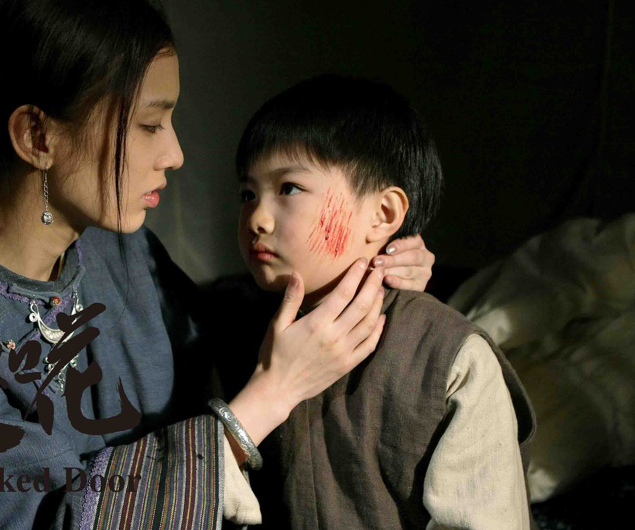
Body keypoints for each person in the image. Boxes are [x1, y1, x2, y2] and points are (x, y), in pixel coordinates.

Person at [0, 0, 436, 529]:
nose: (175, 154)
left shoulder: (118, 251)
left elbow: (224, 343)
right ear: (38, 136)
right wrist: (267, 399)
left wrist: (364, 274)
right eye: (151, 125)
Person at [231, 74, 538, 529]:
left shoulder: (448, 356)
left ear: (383, 214)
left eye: (289, 188)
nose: (257, 217)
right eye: (247, 194)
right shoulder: (236, 334)